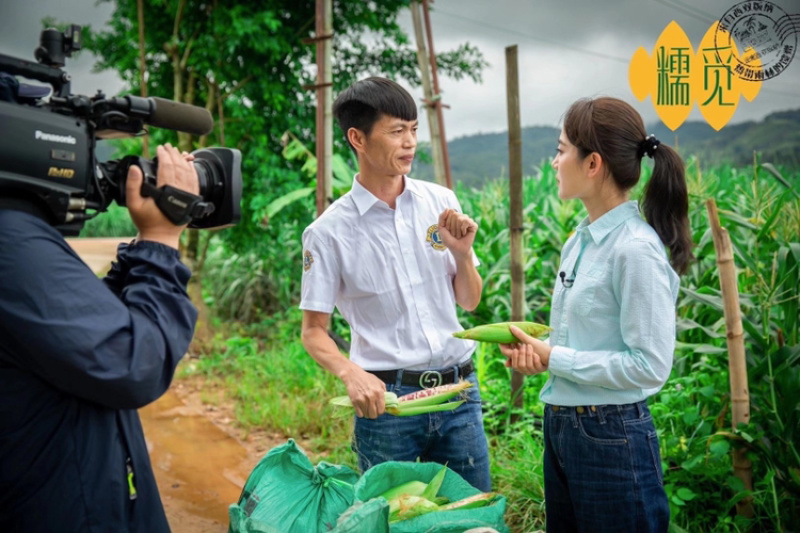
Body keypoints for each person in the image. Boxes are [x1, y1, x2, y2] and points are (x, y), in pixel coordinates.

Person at [0, 78, 201, 532]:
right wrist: (162, 240)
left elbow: (84, 331)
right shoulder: (10, 240)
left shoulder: (19, 235)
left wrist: (142, 252)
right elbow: (132, 361)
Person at [499, 97, 693, 532]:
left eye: (561, 149)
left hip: (611, 435)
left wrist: (555, 358)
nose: (553, 163)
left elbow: (649, 366)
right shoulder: (579, 242)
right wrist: (541, 356)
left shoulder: (635, 249)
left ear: (593, 164)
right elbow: (584, 346)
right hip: (564, 427)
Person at [299, 76, 491, 491]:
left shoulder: (441, 202)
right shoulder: (328, 232)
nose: (410, 142)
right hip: (387, 407)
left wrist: (461, 254)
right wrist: (351, 373)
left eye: (414, 129)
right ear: (358, 138)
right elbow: (313, 331)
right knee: (390, 519)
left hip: (459, 394)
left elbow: (470, 302)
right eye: (397, 131)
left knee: (472, 515)